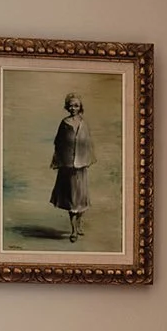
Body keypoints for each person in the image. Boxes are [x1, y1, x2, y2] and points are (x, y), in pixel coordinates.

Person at [49, 92, 95, 242]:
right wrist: (61, 160)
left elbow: (89, 144)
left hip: (81, 167)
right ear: (67, 107)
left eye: (76, 105)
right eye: (71, 105)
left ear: (80, 107)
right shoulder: (64, 123)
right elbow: (58, 142)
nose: (73, 108)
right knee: (72, 200)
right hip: (68, 167)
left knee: (81, 199)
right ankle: (73, 230)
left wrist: (86, 159)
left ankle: (79, 224)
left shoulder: (84, 123)